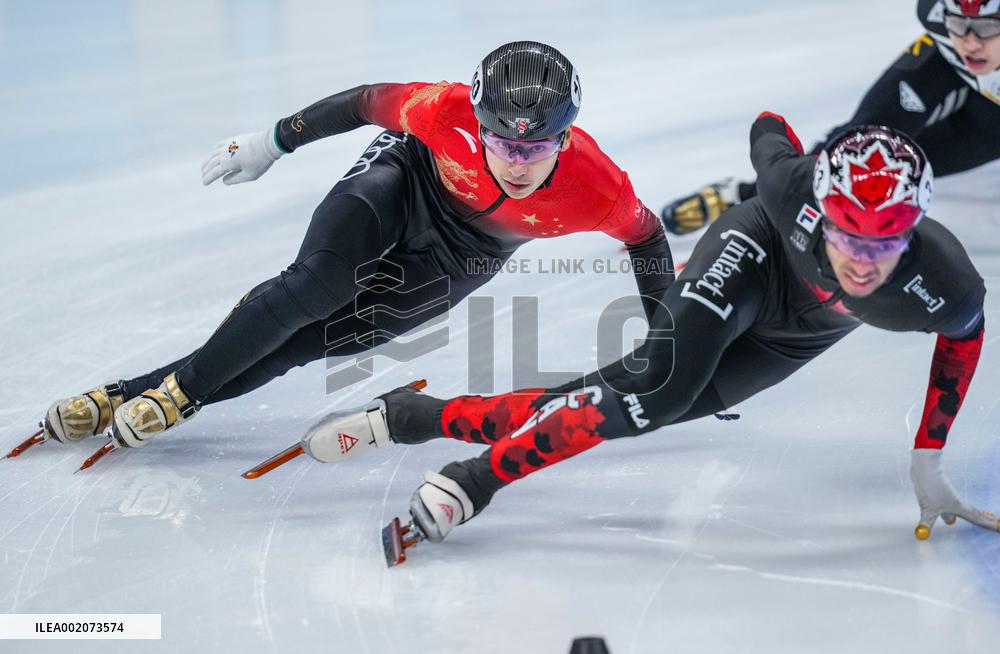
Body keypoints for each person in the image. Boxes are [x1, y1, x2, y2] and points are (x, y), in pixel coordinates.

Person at [280, 115, 998, 549]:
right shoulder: (792, 188)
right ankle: (474, 481)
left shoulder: (948, 284)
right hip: (750, 257)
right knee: (651, 392)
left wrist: (927, 459)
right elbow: (768, 128)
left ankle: (415, 416)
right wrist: (811, 153)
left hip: (799, 334)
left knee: (635, 398)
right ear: (821, 209)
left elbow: (965, 341)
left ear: (916, 230)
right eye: (848, 236)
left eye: (886, 245)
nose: (862, 262)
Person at [15, 41, 673, 463]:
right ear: (478, 123)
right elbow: (362, 105)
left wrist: (676, 337)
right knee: (319, 285)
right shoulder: (442, 113)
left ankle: (129, 394)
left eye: (537, 147)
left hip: (468, 252)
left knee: (314, 342)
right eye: (502, 143)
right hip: (407, 180)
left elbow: (646, 238)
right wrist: (274, 140)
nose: (518, 163)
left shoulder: (598, 188)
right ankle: (180, 392)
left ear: (566, 139)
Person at [660, 0, 1000, 235]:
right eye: (958, 23)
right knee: (858, 144)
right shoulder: (940, 24)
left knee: (912, 167)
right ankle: (748, 196)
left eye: (985, 28)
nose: (970, 41)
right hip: (943, 64)